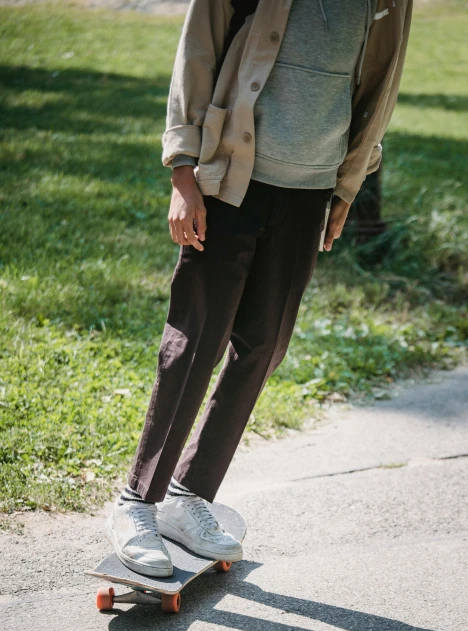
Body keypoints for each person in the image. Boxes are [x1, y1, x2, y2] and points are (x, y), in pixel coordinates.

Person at [105, 0, 413, 577]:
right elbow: (200, 46)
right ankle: (137, 502)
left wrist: (346, 186)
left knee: (265, 344)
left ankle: (188, 494)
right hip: (229, 172)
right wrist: (183, 168)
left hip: (311, 185)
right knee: (198, 337)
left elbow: (382, 81)